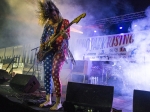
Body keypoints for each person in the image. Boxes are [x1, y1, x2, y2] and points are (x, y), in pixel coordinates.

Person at [37, 0, 74, 110]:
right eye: (51, 17)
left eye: (54, 15)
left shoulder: (65, 22)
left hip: (60, 51)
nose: (54, 18)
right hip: (49, 51)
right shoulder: (48, 25)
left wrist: (64, 35)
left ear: (57, 13)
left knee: (54, 73)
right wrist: (42, 46)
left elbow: (68, 36)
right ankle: (48, 99)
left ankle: (58, 102)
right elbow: (42, 38)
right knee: (47, 73)